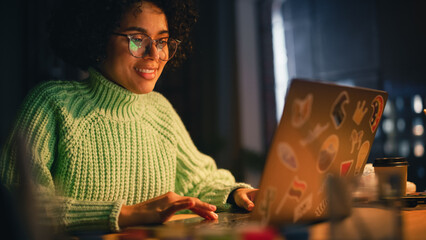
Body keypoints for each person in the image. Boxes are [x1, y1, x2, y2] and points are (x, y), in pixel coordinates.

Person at [0, 0, 257, 233]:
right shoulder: (52, 103)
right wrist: (129, 213)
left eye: (162, 41)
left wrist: (236, 194)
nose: (154, 55)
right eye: (137, 38)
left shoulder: (159, 111)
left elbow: (200, 181)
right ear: (97, 37)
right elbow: (17, 201)